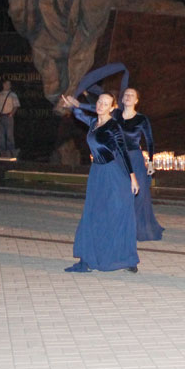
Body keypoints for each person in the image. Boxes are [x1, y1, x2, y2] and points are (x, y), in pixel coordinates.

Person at [60, 91, 141, 273]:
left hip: (112, 175)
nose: (100, 105)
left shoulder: (113, 126)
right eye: (99, 101)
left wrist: (133, 178)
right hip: (97, 174)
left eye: (105, 103)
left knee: (117, 214)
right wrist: (73, 104)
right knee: (93, 215)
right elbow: (79, 114)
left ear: (112, 108)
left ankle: (127, 258)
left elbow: (123, 151)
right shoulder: (93, 123)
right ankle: (90, 256)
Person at [0, 80, 20, 157]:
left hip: (8, 116)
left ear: (10, 86)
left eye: (8, 84)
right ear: (3, 85)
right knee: (0, 135)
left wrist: (11, 114)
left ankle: (10, 151)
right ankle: (2, 152)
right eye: (6, 84)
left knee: (9, 135)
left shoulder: (13, 95)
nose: (7, 86)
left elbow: (16, 106)